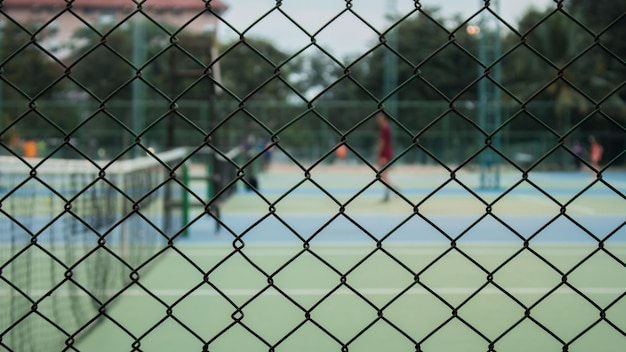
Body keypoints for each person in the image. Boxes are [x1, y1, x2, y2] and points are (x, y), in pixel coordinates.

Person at [376, 112, 393, 201]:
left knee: (383, 174)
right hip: (386, 154)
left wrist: (378, 153)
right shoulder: (386, 127)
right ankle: (388, 190)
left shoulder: (385, 128)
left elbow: (382, 142)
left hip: (385, 155)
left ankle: (388, 191)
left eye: (380, 117)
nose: (378, 119)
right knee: (383, 174)